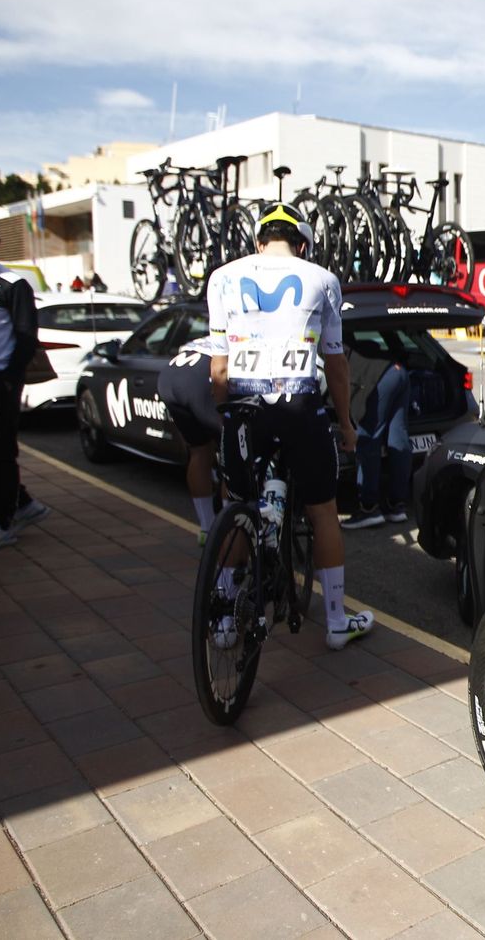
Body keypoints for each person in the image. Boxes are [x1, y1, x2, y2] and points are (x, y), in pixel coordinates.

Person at [207, 203, 374, 650]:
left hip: (244, 404)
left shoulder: (222, 276)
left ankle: (223, 620)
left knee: (237, 505)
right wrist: (346, 423)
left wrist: (226, 415)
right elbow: (335, 365)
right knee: (322, 511)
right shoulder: (321, 278)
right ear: (301, 244)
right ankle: (337, 621)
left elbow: (218, 368)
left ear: (259, 242)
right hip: (300, 403)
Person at [0, 215, 51, 552]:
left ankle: (2, 524)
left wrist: (7, 382)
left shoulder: (11, 284)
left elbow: (26, 339)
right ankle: (19, 504)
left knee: (0, 454)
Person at [156, 332, 224, 545]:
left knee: (199, 450)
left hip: (171, 374)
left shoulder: (214, 330)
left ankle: (206, 526)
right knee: (233, 451)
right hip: (201, 376)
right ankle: (230, 528)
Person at [341, 343, 412, 529]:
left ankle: (368, 507)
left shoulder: (326, 345)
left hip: (378, 379)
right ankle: (396, 505)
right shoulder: (340, 340)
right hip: (397, 371)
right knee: (398, 436)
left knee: (367, 439)